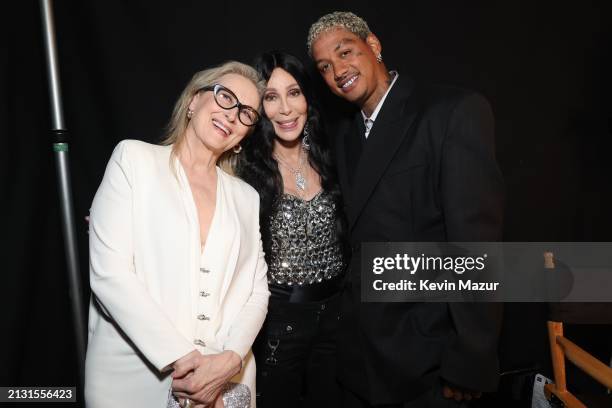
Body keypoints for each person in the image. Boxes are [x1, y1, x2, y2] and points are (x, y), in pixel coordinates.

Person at [307, 11, 505, 408]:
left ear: (374, 46)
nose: (338, 71)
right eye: (325, 67)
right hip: (358, 362)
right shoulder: (344, 135)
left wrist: (470, 359)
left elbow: (476, 247)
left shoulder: (451, 112)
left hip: (426, 362)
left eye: (346, 52)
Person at [85, 61, 270, 408]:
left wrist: (230, 359)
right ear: (193, 101)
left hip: (225, 380)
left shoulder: (246, 197)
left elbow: (257, 291)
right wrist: (187, 362)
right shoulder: (134, 161)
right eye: (225, 97)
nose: (233, 115)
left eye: (246, 113)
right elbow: (109, 273)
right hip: (134, 378)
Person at [236, 51, 347, 407]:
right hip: (277, 325)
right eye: (271, 97)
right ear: (258, 106)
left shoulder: (333, 152)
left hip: (338, 317)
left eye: (294, 93)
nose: (285, 109)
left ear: (308, 98)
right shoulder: (243, 168)